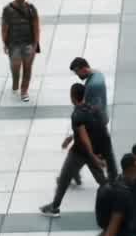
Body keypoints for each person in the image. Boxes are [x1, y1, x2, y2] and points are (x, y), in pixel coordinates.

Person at [39, 82, 111, 218]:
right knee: (102, 180)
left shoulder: (77, 114)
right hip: (93, 150)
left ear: (73, 97)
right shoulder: (94, 109)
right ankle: (116, 203)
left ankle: (54, 207)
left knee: (64, 179)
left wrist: (92, 155)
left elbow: (83, 137)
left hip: (79, 153)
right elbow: (100, 127)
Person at [2, 0, 40, 102]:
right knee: (15, 67)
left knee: (28, 68)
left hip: (28, 43)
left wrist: (36, 43)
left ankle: (24, 91)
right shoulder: (7, 10)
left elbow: (36, 26)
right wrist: (5, 43)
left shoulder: (31, 8)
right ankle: (15, 82)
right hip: (14, 45)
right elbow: (4, 28)